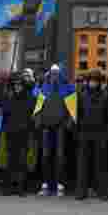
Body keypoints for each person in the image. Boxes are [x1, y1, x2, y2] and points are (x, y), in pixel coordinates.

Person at [35, 65, 73, 197]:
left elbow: (72, 109)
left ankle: (60, 184)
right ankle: (46, 184)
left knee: (60, 156)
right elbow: (38, 107)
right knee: (45, 156)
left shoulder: (67, 88)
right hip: (46, 126)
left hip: (60, 127)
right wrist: (39, 121)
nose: (54, 76)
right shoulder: (44, 88)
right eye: (52, 74)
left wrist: (68, 123)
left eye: (57, 74)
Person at [75, 70, 108, 200]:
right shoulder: (82, 95)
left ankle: (102, 191)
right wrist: (78, 132)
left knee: (101, 163)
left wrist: (107, 134)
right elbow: (77, 115)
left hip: (100, 133)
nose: (93, 82)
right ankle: (81, 191)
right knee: (83, 163)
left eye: (95, 80)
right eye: (91, 80)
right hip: (84, 132)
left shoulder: (105, 96)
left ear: (99, 81)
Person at [0, 73, 36, 196]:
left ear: (23, 86)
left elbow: (32, 115)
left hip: (24, 133)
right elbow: (4, 112)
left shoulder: (30, 98)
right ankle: (8, 187)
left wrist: (28, 127)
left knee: (22, 161)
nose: (17, 87)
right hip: (11, 133)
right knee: (10, 160)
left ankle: (20, 188)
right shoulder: (9, 98)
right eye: (15, 85)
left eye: (19, 85)